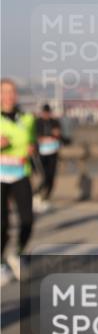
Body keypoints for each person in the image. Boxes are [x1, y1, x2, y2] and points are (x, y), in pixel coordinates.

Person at [1, 78, 35, 285]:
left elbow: (32, 141)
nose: (9, 95)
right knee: (2, 223)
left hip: (21, 172)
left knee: (28, 220)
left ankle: (17, 254)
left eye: (12, 91)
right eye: (4, 91)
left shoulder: (27, 119)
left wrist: (32, 147)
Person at [33, 103, 63, 214]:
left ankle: (45, 199)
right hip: (41, 153)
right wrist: (47, 136)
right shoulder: (38, 123)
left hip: (53, 153)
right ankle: (36, 194)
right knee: (45, 177)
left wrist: (57, 134)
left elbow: (59, 135)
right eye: (45, 112)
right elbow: (37, 137)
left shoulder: (55, 122)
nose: (46, 114)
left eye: (48, 112)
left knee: (51, 178)